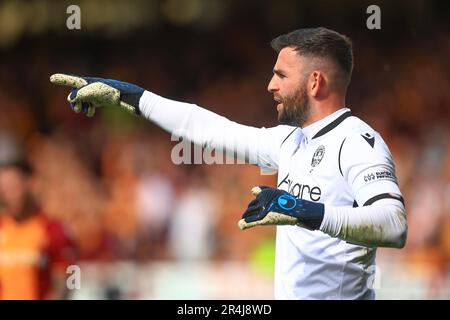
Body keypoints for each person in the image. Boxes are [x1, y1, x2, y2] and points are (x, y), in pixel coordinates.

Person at [50, 27, 407, 299]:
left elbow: (394, 225)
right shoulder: (290, 141)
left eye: (282, 75)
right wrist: (129, 95)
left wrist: (303, 210)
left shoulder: (358, 142)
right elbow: (207, 129)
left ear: (315, 81)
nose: (270, 85)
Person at [0, 161, 76, 299]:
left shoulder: (53, 230)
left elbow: (72, 276)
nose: (8, 196)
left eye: (13, 188)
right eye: (4, 190)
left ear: (30, 184)